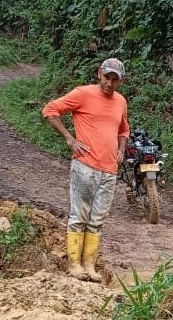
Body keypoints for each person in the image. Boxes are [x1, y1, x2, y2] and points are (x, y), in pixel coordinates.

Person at [41, 57, 129, 281]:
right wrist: (69, 139)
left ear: (120, 81)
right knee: (79, 216)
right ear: (99, 73)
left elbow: (123, 129)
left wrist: (121, 149)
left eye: (115, 79)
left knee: (97, 220)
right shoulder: (83, 94)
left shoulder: (120, 101)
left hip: (109, 171)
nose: (109, 83)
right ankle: (74, 265)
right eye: (107, 77)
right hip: (85, 167)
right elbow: (50, 110)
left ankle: (89, 266)